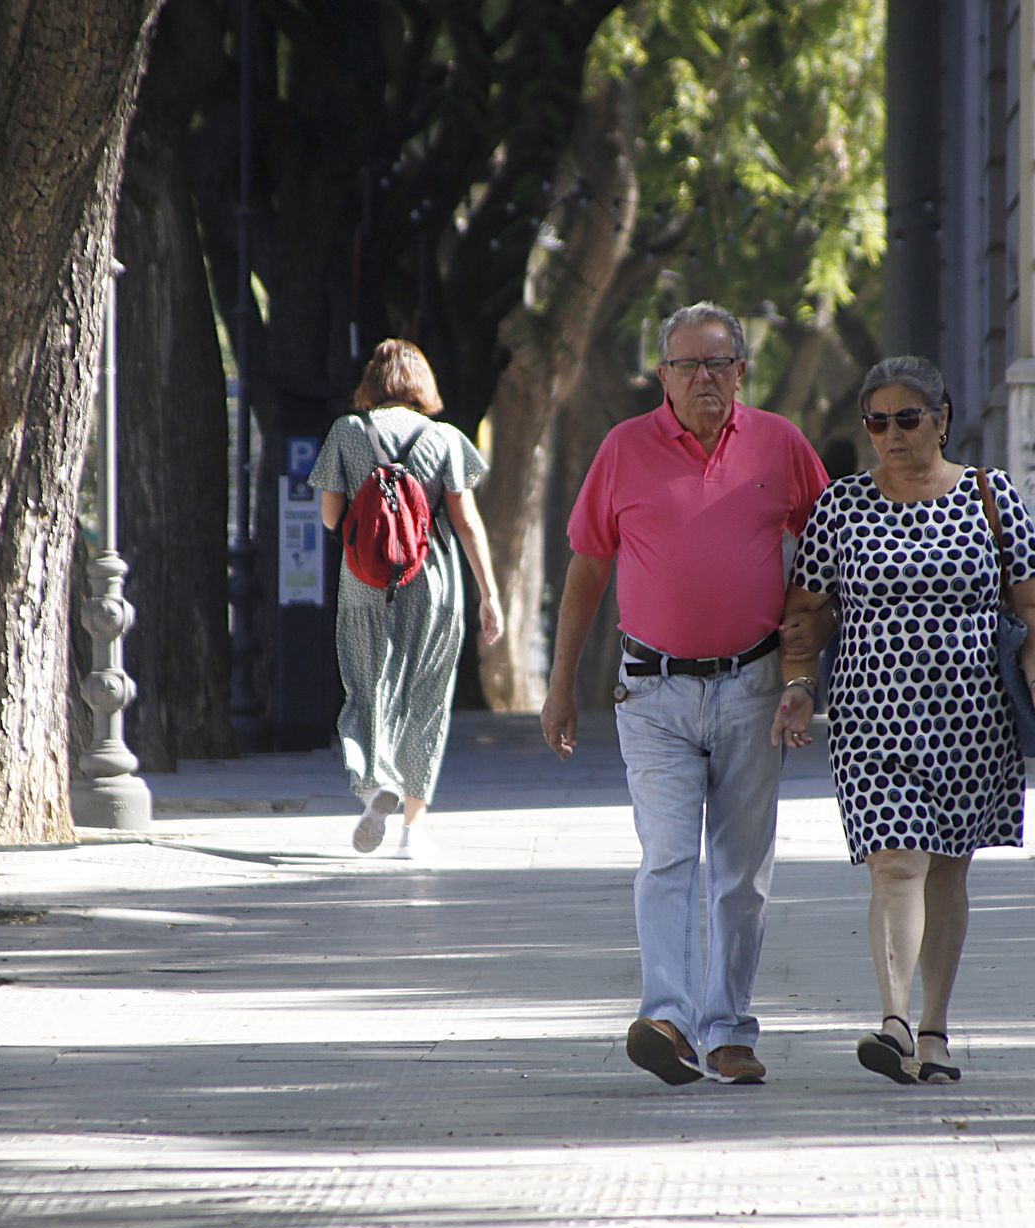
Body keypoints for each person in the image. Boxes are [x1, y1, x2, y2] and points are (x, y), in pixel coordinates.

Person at [541, 302, 829, 1087]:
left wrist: (804, 676)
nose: (703, 378)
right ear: (661, 375)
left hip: (752, 684)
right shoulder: (624, 448)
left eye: (717, 363)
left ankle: (729, 1027)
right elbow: (587, 570)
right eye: (685, 365)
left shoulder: (781, 444)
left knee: (741, 871)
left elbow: (825, 559)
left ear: (742, 369)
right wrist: (560, 685)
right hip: (653, 690)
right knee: (667, 856)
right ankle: (667, 1016)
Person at [771, 355, 1035, 1085]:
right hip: (873, 717)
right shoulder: (842, 506)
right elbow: (805, 612)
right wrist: (797, 686)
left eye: (907, 418)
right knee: (897, 863)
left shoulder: (988, 496)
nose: (891, 434)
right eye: (877, 421)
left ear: (942, 418)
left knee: (946, 872)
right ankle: (894, 1019)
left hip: (972, 719)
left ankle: (933, 1030)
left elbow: (1033, 606)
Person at [309, 339, 503, 858]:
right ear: (423, 383)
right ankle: (413, 831)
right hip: (434, 582)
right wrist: (490, 594)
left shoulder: (347, 432)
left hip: (364, 582)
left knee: (367, 688)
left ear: (373, 380)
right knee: (426, 700)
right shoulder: (446, 438)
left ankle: (374, 786)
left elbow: (331, 519)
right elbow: (466, 523)